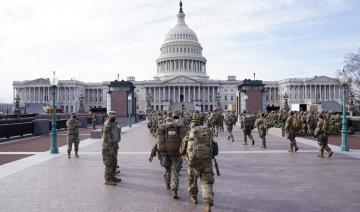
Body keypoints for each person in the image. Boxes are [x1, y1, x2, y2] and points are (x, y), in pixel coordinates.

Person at [180, 114, 218, 212]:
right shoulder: (207, 133)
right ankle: (207, 203)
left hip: (193, 162)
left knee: (192, 181)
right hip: (206, 162)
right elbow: (215, 151)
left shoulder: (189, 134)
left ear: (191, 126)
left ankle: (194, 197)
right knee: (207, 182)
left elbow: (182, 150)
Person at [149, 113, 183, 199]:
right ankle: (174, 189)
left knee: (168, 170)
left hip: (165, 153)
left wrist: (152, 155)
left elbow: (157, 143)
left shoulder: (162, 128)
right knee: (175, 172)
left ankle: (168, 183)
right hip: (176, 152)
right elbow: (183, 140)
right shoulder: (177, 127)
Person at [102, 111, 121, 186]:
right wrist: (110, 149)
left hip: (114, 145)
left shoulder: (114, 124)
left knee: (114, 162)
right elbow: (106, 139)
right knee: (108, 163)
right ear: (109, 116)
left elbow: (117, 133)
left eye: (114, 116)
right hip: (108, 147)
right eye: (112, 116)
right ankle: (107, 179)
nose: (114, 117)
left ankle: (112, 176)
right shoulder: (107, 125)